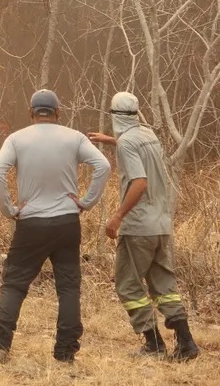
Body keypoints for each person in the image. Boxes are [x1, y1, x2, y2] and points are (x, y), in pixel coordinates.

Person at [0, 89, 110, 364]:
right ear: (58, 112)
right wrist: (85, 203)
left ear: (31, 113)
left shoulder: (17, 139)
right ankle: (65, 352)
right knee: (68, 287)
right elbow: (103, 165)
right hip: (67, 222)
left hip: (31, 223)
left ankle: (0, 347)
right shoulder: (74, 137)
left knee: (14, 283)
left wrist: (9, 210)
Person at [88, 92, 200, 361]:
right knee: (163, 285)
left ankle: (153, 345)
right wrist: (111, 142)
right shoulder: (147, 135)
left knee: (127, 285)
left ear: (114, 116)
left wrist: (117, 216)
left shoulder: (128, 143)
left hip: (138, 228)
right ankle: (186, 344)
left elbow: (139, 181)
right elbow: (136, 149)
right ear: (136, 114)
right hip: (161, 224)